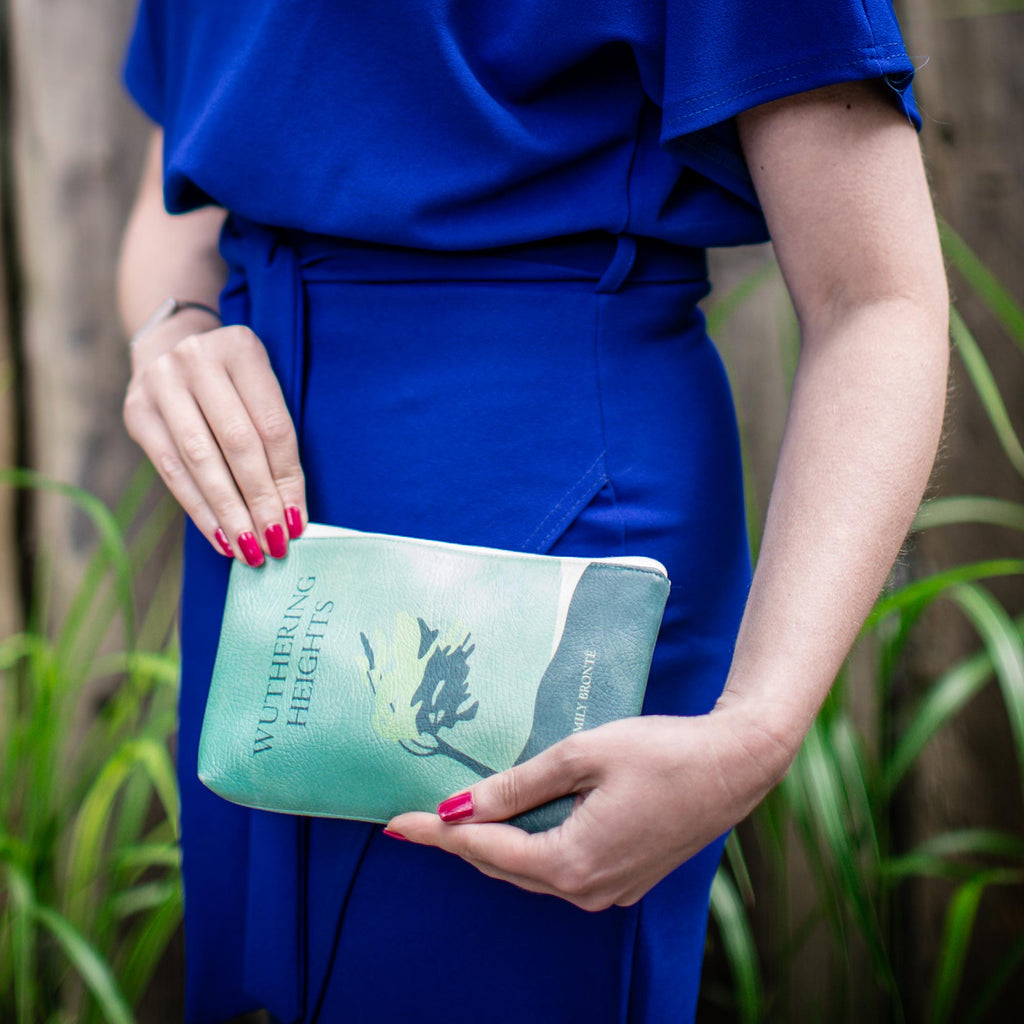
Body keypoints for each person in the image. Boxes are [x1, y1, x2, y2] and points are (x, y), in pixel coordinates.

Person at [117, 2, 949, 1022]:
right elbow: (185, 176)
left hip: (535, 545)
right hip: (254, 555)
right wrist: (171, 332)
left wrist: (754, 731)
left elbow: (875, 298)